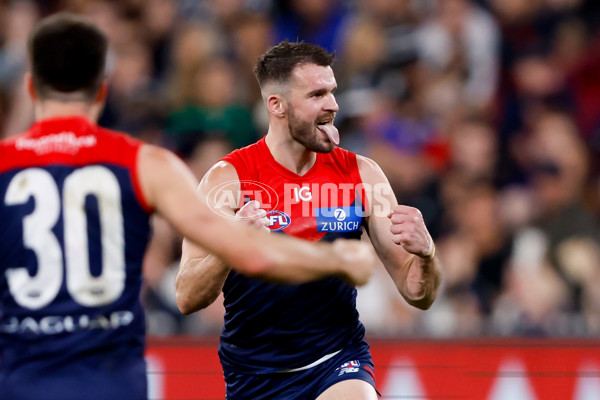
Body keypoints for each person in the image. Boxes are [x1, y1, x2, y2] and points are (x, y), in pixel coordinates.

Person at [0, 15, 376, 400]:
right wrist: (337, 261)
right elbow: (247, 254)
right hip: (109, 378)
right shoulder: (148, 165)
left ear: (31, 88)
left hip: (16, 377)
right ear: (102, 90)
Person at [176, 41, 442, 400]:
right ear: (277, 106)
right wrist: (230, 244)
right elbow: (187, 297)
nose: (332, 105)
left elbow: (417, 292)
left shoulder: (361, 175)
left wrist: (426, 256)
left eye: (332, 92)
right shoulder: (228, 181)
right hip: (254, 377)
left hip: (337, 361)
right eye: (317, 95)